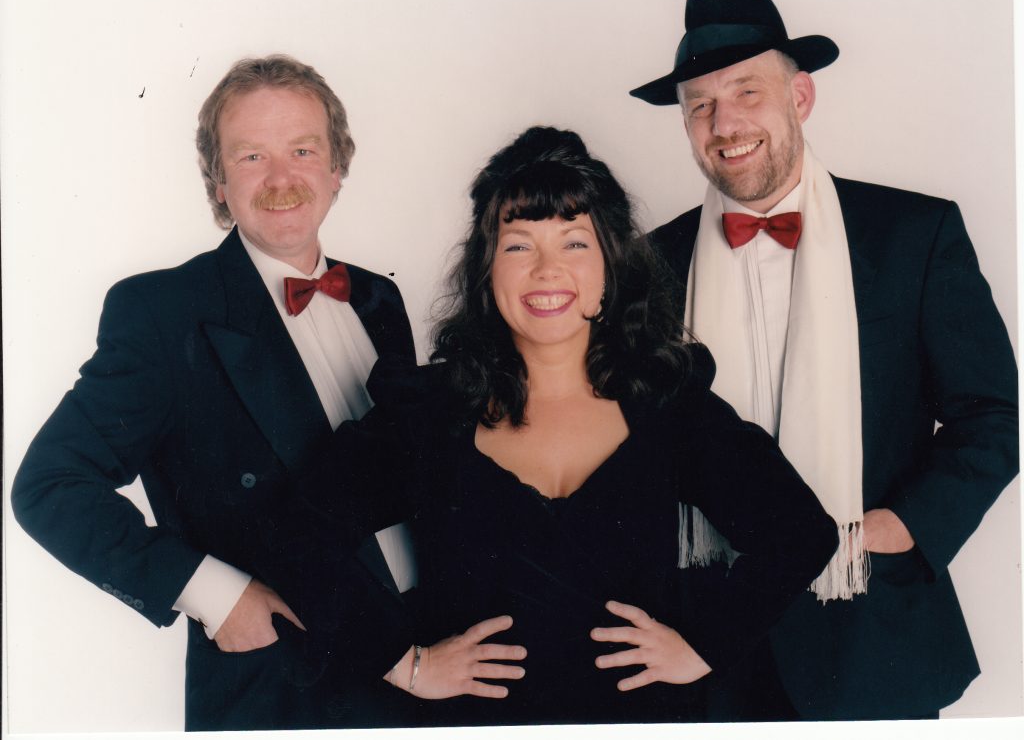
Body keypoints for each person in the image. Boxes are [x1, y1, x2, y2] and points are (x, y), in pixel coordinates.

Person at [276, 126, 839, 726]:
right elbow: (294, 532)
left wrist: (704, 646)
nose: (547, 270)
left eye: (574, 243)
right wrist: (403, 662)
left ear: (610, 264)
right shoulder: (429, 412)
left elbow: (801, 532)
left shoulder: (668, 404)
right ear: (487, 267)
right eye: (519, 246)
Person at [629, 0, 1019, 720]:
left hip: (875, 637)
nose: (725, 124)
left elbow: (991, 417)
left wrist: (903, 525)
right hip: (707, 650)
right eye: (700, 105)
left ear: (800, 97)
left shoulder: (915, 235)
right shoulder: (646, 266)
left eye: (747, 92)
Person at [10, 55, 418, 731]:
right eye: (252, 156)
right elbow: (50, 485)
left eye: (303, 150)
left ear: (337, 168)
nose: (282, 178)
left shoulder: (379, 298)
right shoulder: (164, 313)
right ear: (219, 182)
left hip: (420, 666)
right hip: (285, 686)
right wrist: (214, 594)